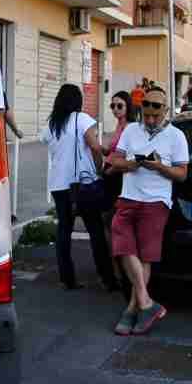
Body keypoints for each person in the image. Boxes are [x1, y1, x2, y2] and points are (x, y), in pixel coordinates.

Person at [105, 86, 189, 336]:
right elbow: (114, 161)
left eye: (156, 114)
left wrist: (160, 167)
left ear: (165, 110)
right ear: (142, 109)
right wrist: (132, 164)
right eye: (147, 113)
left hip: (156, 202)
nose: (151, 119)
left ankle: (133, 309)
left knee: (145, 256)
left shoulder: (176, 136)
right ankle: (147, 303)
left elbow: (182, 174)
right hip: (128, 197)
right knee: (122, 246)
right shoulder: (131, 130)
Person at [42, 84, 119, 293]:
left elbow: (49, 145)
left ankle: (67, 279)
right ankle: (107, 279)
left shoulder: (51, 124)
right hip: (83, 184)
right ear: (77, 101)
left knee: (63, 230)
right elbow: (94, 147)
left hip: (59, 185)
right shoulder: (82, 119)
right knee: (95, 230)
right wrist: (99, 167)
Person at [100, 91, 135, 295]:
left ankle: (122, 274)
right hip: (110, 175)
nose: (115, 110)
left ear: (128, 106)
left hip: (117, 178)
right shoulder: (119, 126)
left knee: (114, 225)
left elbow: (129, 158)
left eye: (119, 106)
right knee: (109, 225)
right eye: (112, 106)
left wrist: (111, 168)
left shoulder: (130, 128)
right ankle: (117, 273)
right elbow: (115, 152)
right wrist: (102, 151)